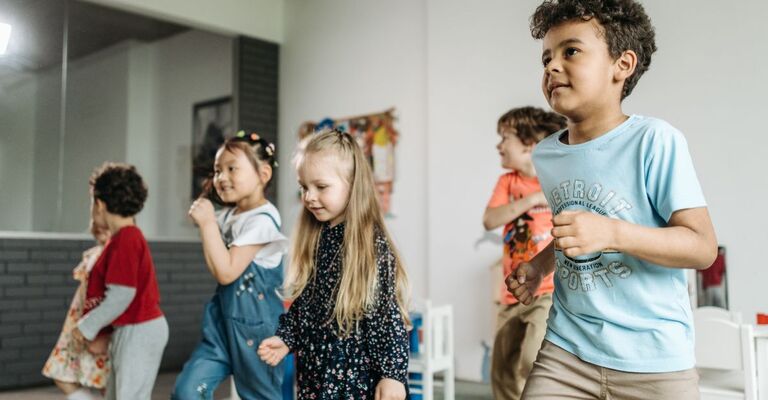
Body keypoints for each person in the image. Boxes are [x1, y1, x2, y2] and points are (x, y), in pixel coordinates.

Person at [507, 1, 718, 399]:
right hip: (566, 352)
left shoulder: (654, 141)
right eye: (546, 58)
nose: (552, 66)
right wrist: (538, 268)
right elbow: (575, 231)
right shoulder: (547, 155)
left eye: (570, 51)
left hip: (655, 361)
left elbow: (702, 247)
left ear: (622, 65)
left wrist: (613, 233)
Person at [257, 129, 411, 399]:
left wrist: (392, 374)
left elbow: (387, 316)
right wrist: (286, 338)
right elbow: (308, 304)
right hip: (317, 376)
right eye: (304, 187)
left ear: (352, 184)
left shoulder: (371, 246)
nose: (309, 196)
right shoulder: (320, 239)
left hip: (356, 381)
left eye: (321, 186)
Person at [172, 132, 287, 400]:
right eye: (217, 171)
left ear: (263, 174)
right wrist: (207, 219)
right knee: (187, 391)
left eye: (231, 168)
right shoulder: (230, 215)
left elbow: (226, 272)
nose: (221, 178)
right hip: (220, 327)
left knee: (259, 396)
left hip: (256, 331)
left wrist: (208, 223)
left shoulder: (264, 220)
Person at [483, 106, 565, 400]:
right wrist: (532, 199)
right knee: (502, 368)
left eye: (505, 138)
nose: (499, 145)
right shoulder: (508, 182)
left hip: (545, 289)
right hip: (511, 291)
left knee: (533, 358)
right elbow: (490, 220)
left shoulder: (555, 179)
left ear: (529, 144)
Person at [73, 162, 168, 400]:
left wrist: (87, 327)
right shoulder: (123, 239)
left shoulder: (126, 240)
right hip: (133, 328)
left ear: (100, 204)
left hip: (139, 329)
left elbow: (121, 296)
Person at [42, 220, 112, 400]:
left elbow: (111, 299)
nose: (99, 224)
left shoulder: (113, 256)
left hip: (99, 329)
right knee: (61, 373)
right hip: (79, 326)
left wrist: (99, 332)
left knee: (108, 381)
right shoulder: (95, 255)